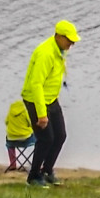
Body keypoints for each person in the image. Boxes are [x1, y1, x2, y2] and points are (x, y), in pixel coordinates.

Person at [21, 20, 79, 187]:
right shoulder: (45, 54)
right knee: (46, 139)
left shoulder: (59, 50)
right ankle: (33, 176)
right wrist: (41, 114)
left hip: (51, 99)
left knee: (60, 136)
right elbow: (36, 85)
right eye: (69, 40)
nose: (71, 44)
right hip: (35, 100)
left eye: (73, 41)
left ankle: (47, 171)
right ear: (59, 36)